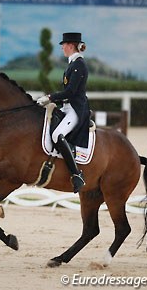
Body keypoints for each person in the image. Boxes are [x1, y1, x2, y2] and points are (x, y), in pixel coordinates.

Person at [37, 32, 90, 193]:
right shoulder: (72, 64)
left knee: (56, 135)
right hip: (67, 107)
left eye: (63, 45)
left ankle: (76, 174)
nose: (62, 47)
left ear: (71, 45)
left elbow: (71, 92)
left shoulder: (79, 65)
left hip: (76, 109)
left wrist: (50, 97)